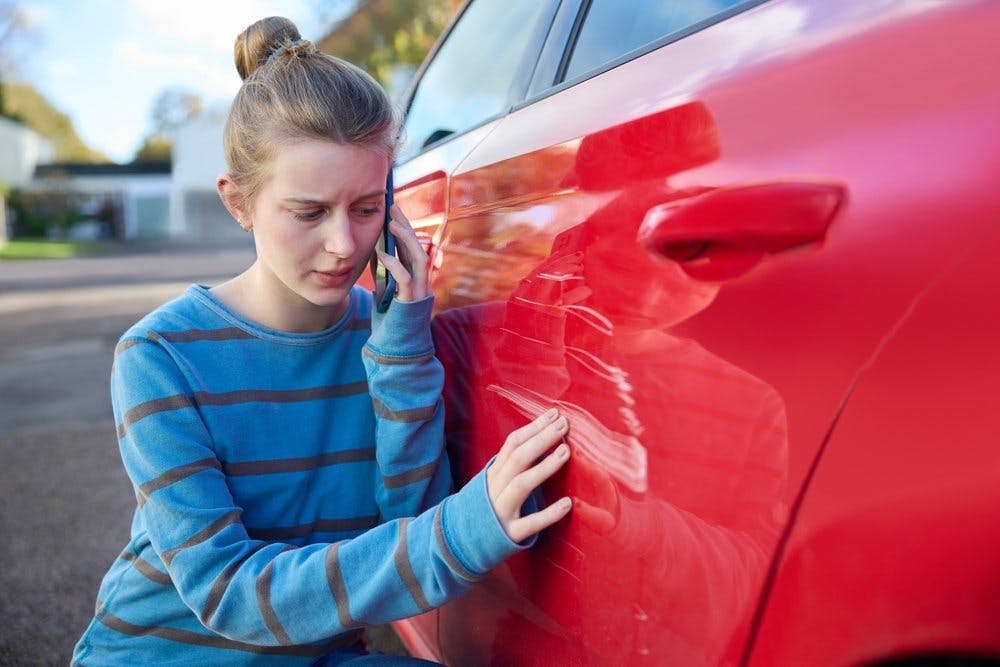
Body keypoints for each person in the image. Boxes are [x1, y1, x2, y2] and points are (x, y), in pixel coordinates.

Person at [72, 16, 572, 666]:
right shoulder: (159, 357)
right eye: (309, 212)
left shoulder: (389, 333)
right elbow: (230, 592)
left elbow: (410, 520)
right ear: (239, 202)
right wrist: (463, 526)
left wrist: (402, 347)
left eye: (366, 209)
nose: (343, 245)